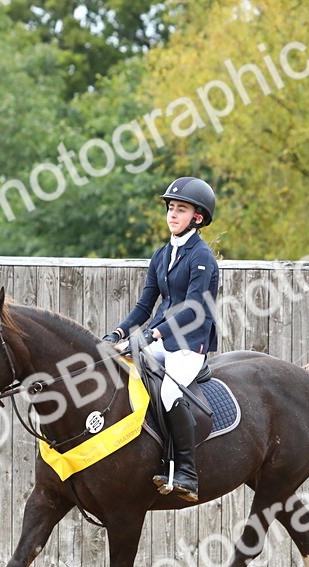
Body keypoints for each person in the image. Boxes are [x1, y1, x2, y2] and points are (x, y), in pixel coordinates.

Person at [103, 176, 220, 502]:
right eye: (171, 208)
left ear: (197, 217)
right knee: (123, 374)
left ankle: (187, 472)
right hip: (162, 340)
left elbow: (193, 309)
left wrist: (154, 333)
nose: (173, 214)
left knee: (169, 391)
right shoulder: (161, 255)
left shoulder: (201, 257)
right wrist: (119, 333)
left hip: (190, 344)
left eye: (181, 209)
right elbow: (145, 305)